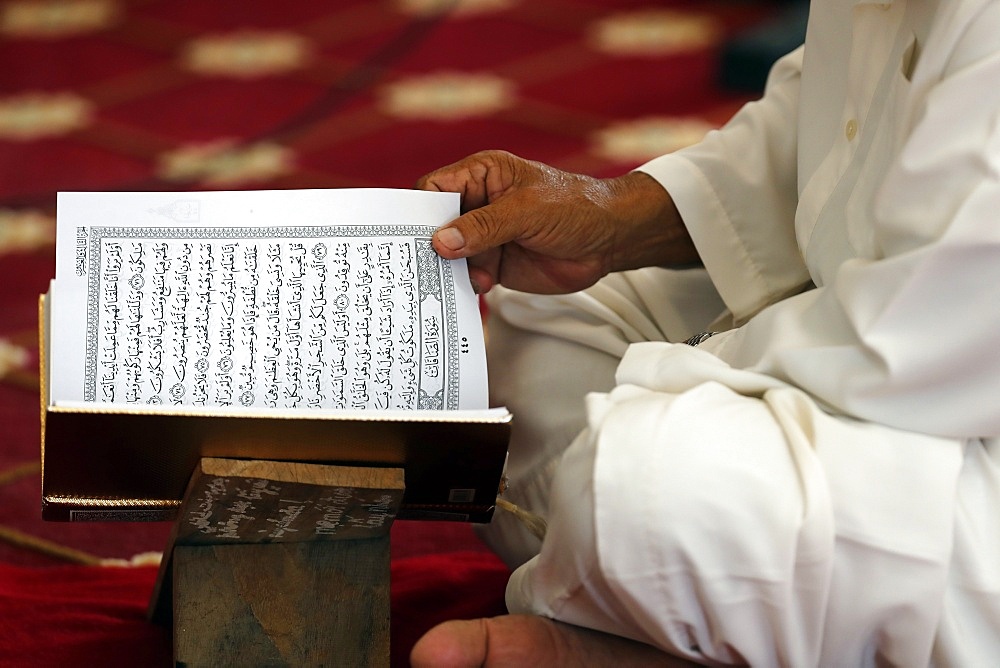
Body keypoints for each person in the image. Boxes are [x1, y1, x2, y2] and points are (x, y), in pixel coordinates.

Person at [411, 0, 1000, 665]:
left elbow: (898, 354)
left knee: (654, 483)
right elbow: (831, 130)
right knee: (556, 324)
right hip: (857, 348)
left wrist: (672, 381)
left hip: (948, 423)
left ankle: (642, 629)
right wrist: (612, 219)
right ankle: (684, 614)